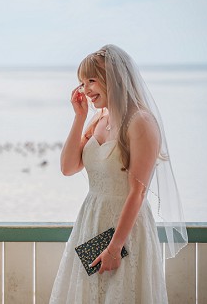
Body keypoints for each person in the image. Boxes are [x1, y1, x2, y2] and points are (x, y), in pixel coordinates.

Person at [49, 45, 187, 303]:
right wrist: (79, 118)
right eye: (82, 82)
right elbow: (68, 167)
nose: (86, 89)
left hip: (126, 230)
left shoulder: (141, 122)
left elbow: (139, 191)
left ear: (114, 77)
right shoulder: (98, 120)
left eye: (92, 80)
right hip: (91, 221)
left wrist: (114, 248)